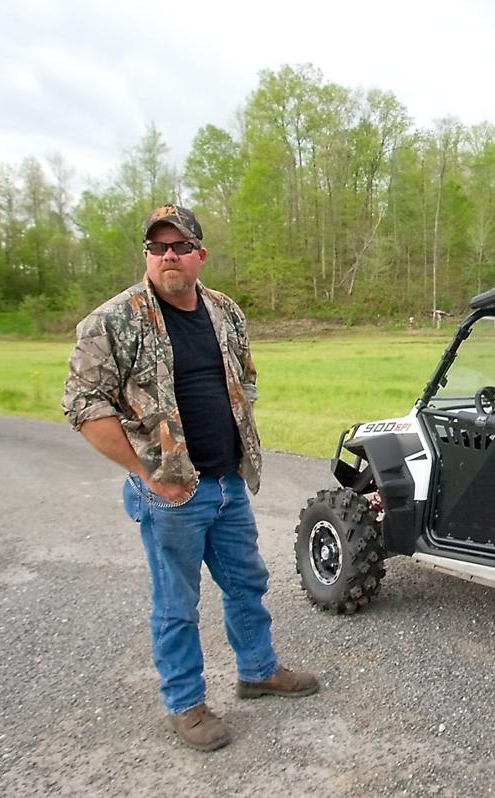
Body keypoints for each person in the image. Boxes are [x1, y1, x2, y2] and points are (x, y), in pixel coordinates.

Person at [61, 203, 317, 752]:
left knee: (246, 583)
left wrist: (238, 430)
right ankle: (186, 704)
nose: (168, 256)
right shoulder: (113, 321)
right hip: (171, 495)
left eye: (179, 246)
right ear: (147, 255)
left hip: (226, 483)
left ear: (199, 254)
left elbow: (244, 378)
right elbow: (84, 405)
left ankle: (258, 671)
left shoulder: (225, 311)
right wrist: (146, 473)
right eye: (157, 247)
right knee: (176, 603)